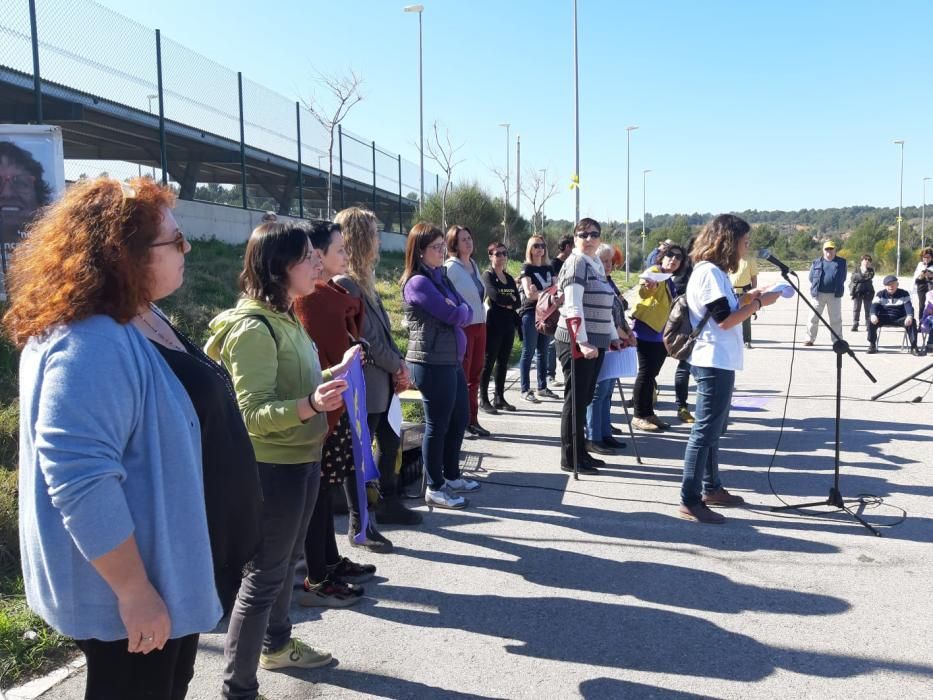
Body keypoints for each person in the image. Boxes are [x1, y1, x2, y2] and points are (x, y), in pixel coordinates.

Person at [5, 177, 223, 699]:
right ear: (124, 255)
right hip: (130, 595)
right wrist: (134, 591)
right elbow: (82, 481)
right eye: (174, 241)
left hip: (157, 580)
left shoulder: (128, 319)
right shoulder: (91, 343)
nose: (186, 249)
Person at [205, 221, 360, 699]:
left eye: (318, 254)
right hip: (273, 468)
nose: (319, 263)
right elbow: (252, 412)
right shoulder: (253, 328)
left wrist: (335, 371)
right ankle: (238, 688)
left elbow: (295, 384)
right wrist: (312, 405)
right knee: (265, 576)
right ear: (278, 268)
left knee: (288, 563)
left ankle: (276, 645)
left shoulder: (288, 316)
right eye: (307, 256)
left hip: (301, 459)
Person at [293, 221, 383, 610]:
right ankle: (318, 572)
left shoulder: (334, 293)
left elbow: (351, 331)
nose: (344, 256)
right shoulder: (313, 299)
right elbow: (329, 351)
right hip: (323, 405)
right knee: (317, 494)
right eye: (337, 249)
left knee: (326, 487)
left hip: (338, 401)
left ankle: (328, 560)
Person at [679, 214, 780, 524]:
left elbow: (725, 308)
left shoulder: (716, 272)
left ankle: (711, 488)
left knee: (714, 430)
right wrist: (760, 305)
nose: (746, 247)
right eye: (744, 241)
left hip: (720, 360)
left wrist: (748, 298)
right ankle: (690, 499)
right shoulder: (708, 272)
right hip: (712, 361)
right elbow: (724, 320)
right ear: (727, 241)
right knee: (704, 431)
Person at [332, 207, 421, 527]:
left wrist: (399, 364)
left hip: (382, 381)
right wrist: (397, 364)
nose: (379, 240)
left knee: (390, 441)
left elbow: (383, 330)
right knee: (361, 449)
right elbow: (365, 336)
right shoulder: (346, 283)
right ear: (360, 238)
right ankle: (360, 511)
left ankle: (387, 500)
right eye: (374, 234)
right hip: (367, 383)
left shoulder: (363, 279)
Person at [401, 222, 480, 509]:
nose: (441, 251)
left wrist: (456, 308)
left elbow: (466, 308)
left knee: (460, 418)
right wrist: (456, 309)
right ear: (420, 251)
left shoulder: (441, 277)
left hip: (450, 361)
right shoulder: (418, 282)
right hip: (431, 362)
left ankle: (452, 475)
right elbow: (451, 313)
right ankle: (435, 485)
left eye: (441, 246)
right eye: (435, 247)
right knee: (437, 424)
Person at [554, 218, 625, 475]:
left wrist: (611, 336)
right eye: (583, 234)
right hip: (576, 341)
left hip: (596, 341)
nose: (589, 238)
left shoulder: (594, 263)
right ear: (575, 238)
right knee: (575, 400)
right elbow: (573, 306)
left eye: (594, 234)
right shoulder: (576, 263)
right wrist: (582, 341)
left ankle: (582, 452)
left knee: (583, 400)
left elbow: (604, 307)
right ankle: (570, 457)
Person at [630, 244, 685, 432]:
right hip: (647, 330)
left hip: (661, 334)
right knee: (645, 374)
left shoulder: (669, 279)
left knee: (651, 375)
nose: (674, 259)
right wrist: (649, 287)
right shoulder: (654, 271)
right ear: (662, 256)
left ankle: (648, 413)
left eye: (678, 258)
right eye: (670, 255)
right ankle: (638, 415)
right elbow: (644, 290)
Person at [584, 243, 632, 455]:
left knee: (606, 392)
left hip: (615, 342)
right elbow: (605, 315)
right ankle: (593, 437)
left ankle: (604, 433)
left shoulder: (609, 282)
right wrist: (622, 334)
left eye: (610, 261)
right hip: (601, 340)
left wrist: (627, 333)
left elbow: (620, 310)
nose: (608, 265)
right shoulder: (593, 282)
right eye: (604, 260)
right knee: (598, 392)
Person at [444, 225, 490, 437]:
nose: (468, 243)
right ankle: (461, 421)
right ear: (454, 243)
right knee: (463, 376)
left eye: (470, 238)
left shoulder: (472, 264)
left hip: (480, 325)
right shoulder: (450, 268)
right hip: (464, 328)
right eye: (463, 239)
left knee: (475, 374)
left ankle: (472, 419)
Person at [480, 240, 520, 414]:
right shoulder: (487, 276)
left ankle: (499, 398)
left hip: (509, 324)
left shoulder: (509, 278)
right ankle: (483, 399)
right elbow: (495, 296)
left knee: (503, 362)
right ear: (490, 256)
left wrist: (509, 303)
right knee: (489, 362)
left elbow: (518, 301)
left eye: (504, 253)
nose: (502, 257)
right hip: (494, 324)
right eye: (498, 254)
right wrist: (508, 302)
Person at [519, 235, 559, 402]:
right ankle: (525, 389)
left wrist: (541, 294)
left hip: (548, 313)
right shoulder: (526, 268)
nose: (540, 249)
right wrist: (547, 294)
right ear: (530, 248)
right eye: (536, 246)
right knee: (529, 351)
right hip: (530, 313)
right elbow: (529, 294)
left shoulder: (549, 268)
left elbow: (557, 289)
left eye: (542, 245)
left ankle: (542, 387)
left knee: (543, 351)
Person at [804, 240, 846, 346]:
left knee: (836, 319)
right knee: (813, 317)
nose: (829, 251)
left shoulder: (842, 262)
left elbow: (843, 277)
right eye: (827, 249)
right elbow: (811, 278)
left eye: (831, 249)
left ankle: (837, 340)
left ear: (835, 250)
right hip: (818, 294)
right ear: (823, 250)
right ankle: (809, 339)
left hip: (834, 295)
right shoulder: (816, 262)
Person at [866, 274, 918, 355]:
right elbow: (874, 306)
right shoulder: (880, 294)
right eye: (888, 285)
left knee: (912, 321)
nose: (891, 286)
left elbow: (908, 306)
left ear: (897, 284)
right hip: (884, 318)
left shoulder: (904, 293)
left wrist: (909, 316)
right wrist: (873, 315)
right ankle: (872, 345)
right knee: (870, 320)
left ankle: (914, 347)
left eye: (893, 284)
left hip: (899, 318)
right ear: (885, 286)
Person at [728, 250, 758, 349]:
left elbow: (754, 278)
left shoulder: (750, 259)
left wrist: (753, 293)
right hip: (731, 291)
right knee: (729, 317)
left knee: (746, 317)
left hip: (745, 291)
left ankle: (747, 341)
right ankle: (731, 340)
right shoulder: (729, 258)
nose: (746, 245)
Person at [849, 254, 876, 332]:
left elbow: (869, 276)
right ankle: (855, 324)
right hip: (857, 291)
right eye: (865, 259)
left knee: (868, 309)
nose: (867, 261)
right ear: (861, 261)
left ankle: (868, 324)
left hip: (868, 291)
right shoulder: (856, 268)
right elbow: (853, 277)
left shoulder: (871, 270)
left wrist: (861, 275)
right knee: (856, 309)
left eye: (869, 260)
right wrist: (863, 275)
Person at [912, 247, 933, 316]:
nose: (926, 259)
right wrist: (921, 275)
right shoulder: (920, 264)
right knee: (922, 306)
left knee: (931, 305)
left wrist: (930, 276)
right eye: (924, 257)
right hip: (921, 287)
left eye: (928, 257)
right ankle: (921, 322)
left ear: (931, 257)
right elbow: (916, 278)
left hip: (931, 288)